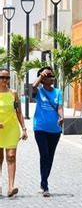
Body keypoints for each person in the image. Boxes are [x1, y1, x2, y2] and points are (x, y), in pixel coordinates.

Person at [31, 66, 64, 197]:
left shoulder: (58, 92)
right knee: (44, 155)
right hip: (40, 128)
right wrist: (40, 76)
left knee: (50, 157)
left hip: (55, 130)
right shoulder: (39, 91)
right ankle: (45, 184)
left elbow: (60, 107)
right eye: (48, 76)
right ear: (43, 79)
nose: (51, 78)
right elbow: (33, 87)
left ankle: (44, 180)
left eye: (52, 76)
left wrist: (62, 116)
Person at [0, 68, 27, 197]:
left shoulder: (13, 93)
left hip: (11, 129)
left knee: (11, 156)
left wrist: (24, 129)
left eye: (7, 78)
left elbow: (19, 112)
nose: (4, 80)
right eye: (1, 77)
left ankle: (11, 187)